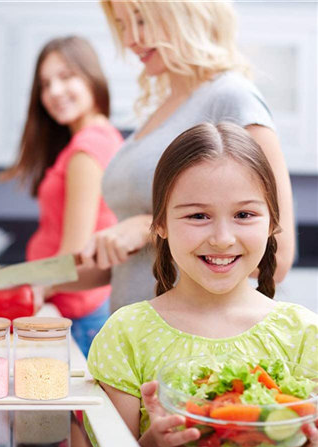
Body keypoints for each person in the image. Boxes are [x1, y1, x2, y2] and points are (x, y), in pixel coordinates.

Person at [86, 122, 318, 447]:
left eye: (244, 215)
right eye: (198, 216)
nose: (223, 238)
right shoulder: (126, 334)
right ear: (159, 223)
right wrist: (159, 445)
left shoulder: (304, 333)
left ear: (272, 222)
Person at [62, 1, 295, 313]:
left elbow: (275, 257)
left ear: (186, 12)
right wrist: (38, 280)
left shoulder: (232, 98)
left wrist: (147, 227)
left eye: (141, 20)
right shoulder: (162, 109)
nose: (130, 39)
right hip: (134, 340)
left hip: (190, 347)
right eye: (122, 25)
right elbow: (131, 262)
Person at [0, 36, 123, 356]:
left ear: (92, 77)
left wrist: (24, 286)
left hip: (81, 316)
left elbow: (73, 254)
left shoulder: (87, 148)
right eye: (45, 83)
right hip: (80, 309)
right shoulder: (96, 138)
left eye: (67, 77)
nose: (54, 91)